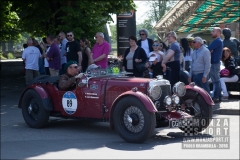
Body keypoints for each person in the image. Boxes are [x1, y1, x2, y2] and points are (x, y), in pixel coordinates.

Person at [208, 27, 223, 103]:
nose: (212, 33)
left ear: (218, 33)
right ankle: (218, 96)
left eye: (213, 31)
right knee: (216, 80)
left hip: (214, 63)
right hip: (215, 62)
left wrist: (210, 50)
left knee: (216, 80)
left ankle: (216, 97)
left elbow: (208, 48)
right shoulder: (218, 41)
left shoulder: (217, 41)